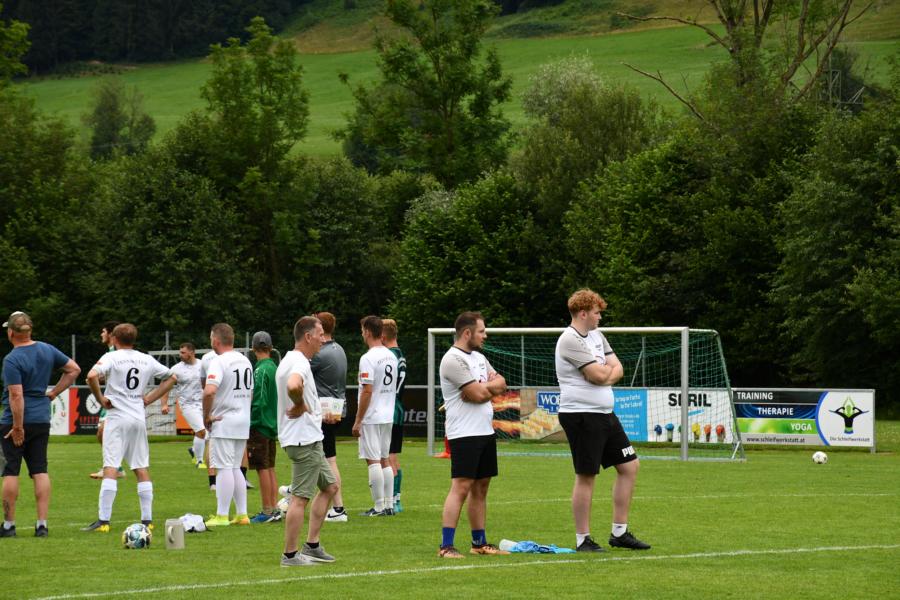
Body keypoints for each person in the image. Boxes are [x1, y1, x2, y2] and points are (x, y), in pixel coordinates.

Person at [554, 289, 650, 552]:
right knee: (587, 475)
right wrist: (605, 373)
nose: (600, 317)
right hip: (581, 415)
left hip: (605, 414)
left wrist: (605, 373)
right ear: (583, 313)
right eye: (597, 313)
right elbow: (598, 375)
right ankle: (583, 539)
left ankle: (619, 533)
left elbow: (616, 369)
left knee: (630, 466)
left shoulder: (597, 336)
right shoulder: (569, 339)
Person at [81, 323, 174, 532]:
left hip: (117, 418)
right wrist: (149, 398)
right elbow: (172, 377)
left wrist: (100, 398)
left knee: (111, 467)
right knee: (141, 467)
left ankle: (103, 521)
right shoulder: (145, 358)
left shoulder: (112, 357)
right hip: (138, 419)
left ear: (114, 339)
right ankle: (147, 520)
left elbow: (91, 376)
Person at [1, 311, 80, 538]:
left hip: (15, 422)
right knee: (40, 470)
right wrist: (53, 392)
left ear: (11, 332)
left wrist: (17, 427)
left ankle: (9, 525)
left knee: (10, 471)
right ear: (30, 331)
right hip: (41, 419)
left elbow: (16, 395)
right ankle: (42, 525)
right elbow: (74, 369)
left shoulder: (12, 359)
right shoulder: (47, 349)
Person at [437, 311, 509, 558]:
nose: (485, 335)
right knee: (461, 487)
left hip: (485, 431)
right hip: (464, 434)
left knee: (481, 488)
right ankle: (446, 546)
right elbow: (478, 395)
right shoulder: (452, 360)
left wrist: (483, 388)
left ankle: (479, 543)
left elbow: (501, 383)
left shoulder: (479, 357)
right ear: (467, 333)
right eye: (481, 331)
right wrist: (484, 389)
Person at [276, 315, 339, 566]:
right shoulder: (299, 363)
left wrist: (312, 409)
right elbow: (294, 386)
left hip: (307, 438)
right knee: (300, 498)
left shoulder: (290, 360)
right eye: (320, 335)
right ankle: (290, 554)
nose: (323, 340)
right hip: (303, 441)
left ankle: (312, 546)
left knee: (330, 487)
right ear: (308, 336)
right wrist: (301, 405)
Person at [202, 323, 254, 527]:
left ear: (216, 340)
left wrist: (206, 416)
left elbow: (209, 391)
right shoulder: (245, 360)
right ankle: (242, 514)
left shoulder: (218, 361)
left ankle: (222, 515)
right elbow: (250, 392)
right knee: (235, 467)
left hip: (224, 420)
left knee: (223, 468)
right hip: (243, 419)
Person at [352, 316, 398, 517]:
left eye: (363, 330)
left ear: (369, 332)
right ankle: (389, 504)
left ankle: (379, 506)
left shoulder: (368, 358)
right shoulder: (391, 355)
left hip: (372, 415)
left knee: (373, 460)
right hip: (388, 414)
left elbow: (367, 390)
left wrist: (358, 420)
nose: (362, 334)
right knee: (385, 458)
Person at [310, 311, 348, 523]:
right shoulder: (339, 349)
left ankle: (339, 507)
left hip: (325, 412)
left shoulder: (320, 354)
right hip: (337, 408)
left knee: (328, 459)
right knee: (325, 457)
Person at [248, 331, 281, 523]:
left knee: (262, 468)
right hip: (272, 424)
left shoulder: (260, 370)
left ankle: (267, 511)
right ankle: (275, 508)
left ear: (253, 348)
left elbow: (259, 399)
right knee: (270, 467)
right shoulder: (274, 367)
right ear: (270, 347)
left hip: (260, 424)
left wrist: (251, 421)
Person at [160, 343, 207, 469]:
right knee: (201, 431)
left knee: (207, 434)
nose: (180, 355)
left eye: (183, 352)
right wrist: (164, 404)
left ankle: (194, 449)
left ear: (192, 352)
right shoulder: (176, 369)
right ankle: (199, 461)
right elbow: (165, 387)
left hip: (203, 403)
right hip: (187, 405)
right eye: (180, 352)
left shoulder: (203, 365)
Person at [90, 321, 126, 480]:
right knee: (102, 433)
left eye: (103, 331)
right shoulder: (111, 352)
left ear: (111, 334)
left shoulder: (116, 353)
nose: (101, 334)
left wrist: (97, 378)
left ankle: (113, 468)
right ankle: (116, 467)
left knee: (104, 432)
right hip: (110, 398)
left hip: (118, 400)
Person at [381, 318, 407, 513]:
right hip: (397, 408)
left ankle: (392, 500)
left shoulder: (388, 356)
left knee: (388, 457)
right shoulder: (400, 354)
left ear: (382, 336)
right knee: (393, 456)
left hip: (389, 409)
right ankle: (396, 499)